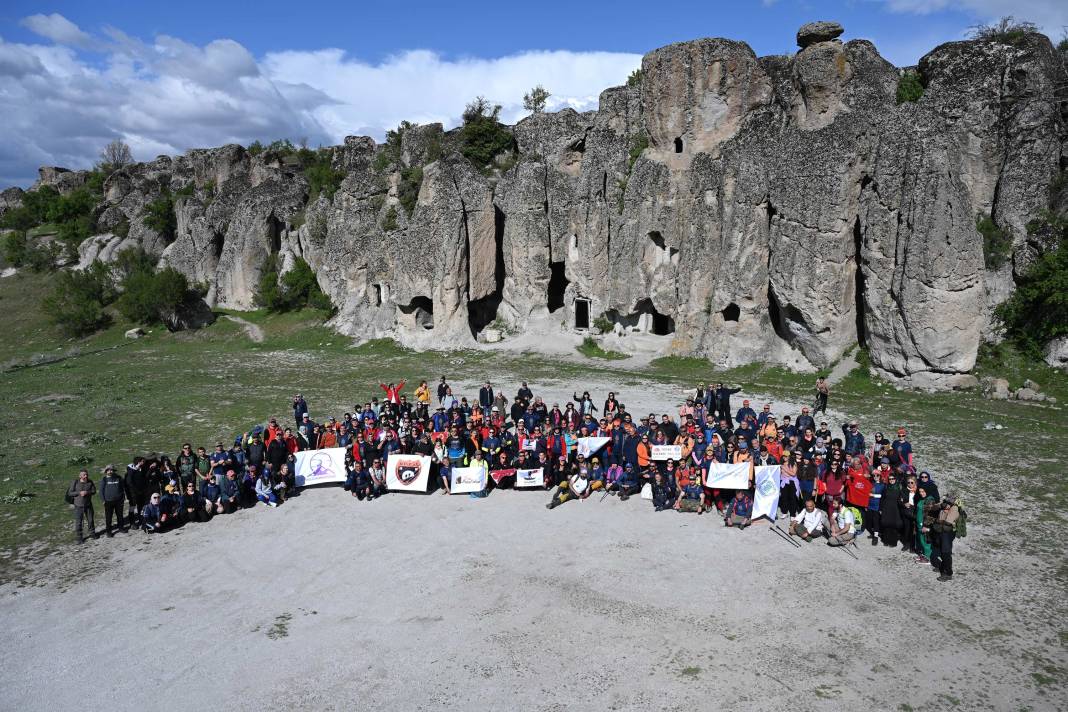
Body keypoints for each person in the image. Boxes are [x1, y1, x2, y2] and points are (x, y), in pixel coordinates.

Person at [927, 492, 961, 581]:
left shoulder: (954, 509)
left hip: (947, 533)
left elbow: (947, 523)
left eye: (948, 501)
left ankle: (948, 573)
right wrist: (941, 506)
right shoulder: (943, 505)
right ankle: (942, 567)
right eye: (946, 501)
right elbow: (933, 508)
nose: (946, 503)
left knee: (946, 552)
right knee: (941, 550)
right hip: (941, 532)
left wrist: (945, 513)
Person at [98, 465, 129, 536]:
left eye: (111, 470)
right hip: (108, 501)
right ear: (106, 471)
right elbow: (101, 491)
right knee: (108, 517)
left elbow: (122, 488)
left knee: (120, 515)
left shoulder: (119, 478)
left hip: (119, 500)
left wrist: (123, 497)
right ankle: (108, 531)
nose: (110, 471)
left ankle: (121, 528)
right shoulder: (104, 479)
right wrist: (103, 500)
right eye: (108, 470)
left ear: (114, 471)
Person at [67, 469, 96, 544]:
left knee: (90, 520)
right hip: (78, 506)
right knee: (79, 522)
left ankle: (92, 534)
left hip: (88, 505)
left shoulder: (90, 482)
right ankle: (79, 538)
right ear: (80, 476)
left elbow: (94, 491)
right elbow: (70, 493)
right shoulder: (75, 482)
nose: (86, 476)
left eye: (87, 474)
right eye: (84, 475)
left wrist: (87, 492)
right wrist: (79, 492)